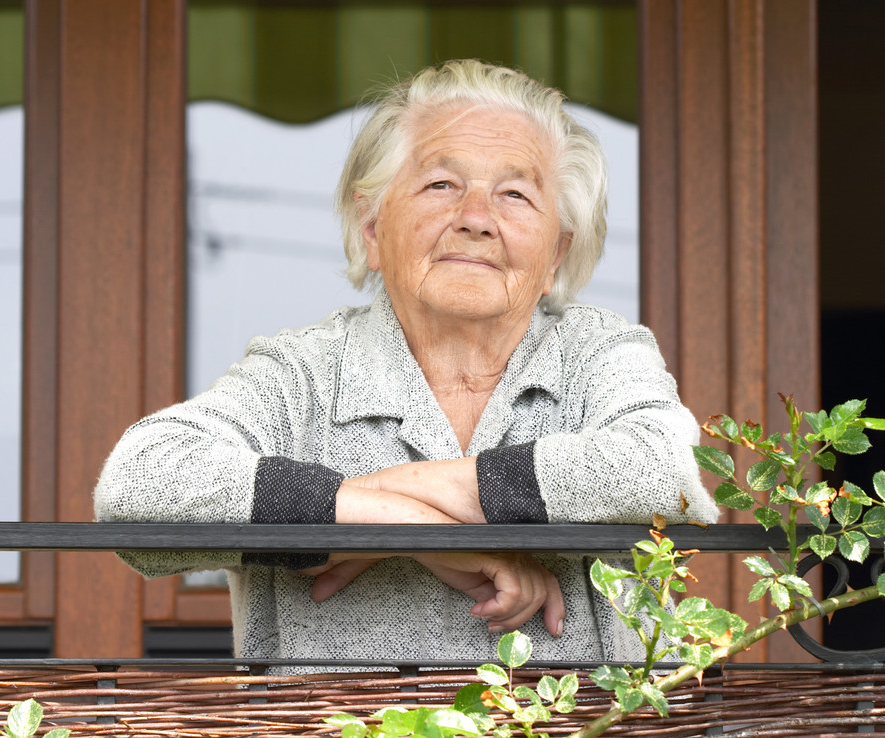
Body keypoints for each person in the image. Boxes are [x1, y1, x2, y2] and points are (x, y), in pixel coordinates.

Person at [94, 59, 718, 663]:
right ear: (372, 229)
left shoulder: (598, 350)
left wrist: (397, 501)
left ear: (555, 254)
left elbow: (668, 469)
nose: (476, 218)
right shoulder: (305, 370)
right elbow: (138, 484)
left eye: (515, 194)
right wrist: (399, 524)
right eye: (441, 185)